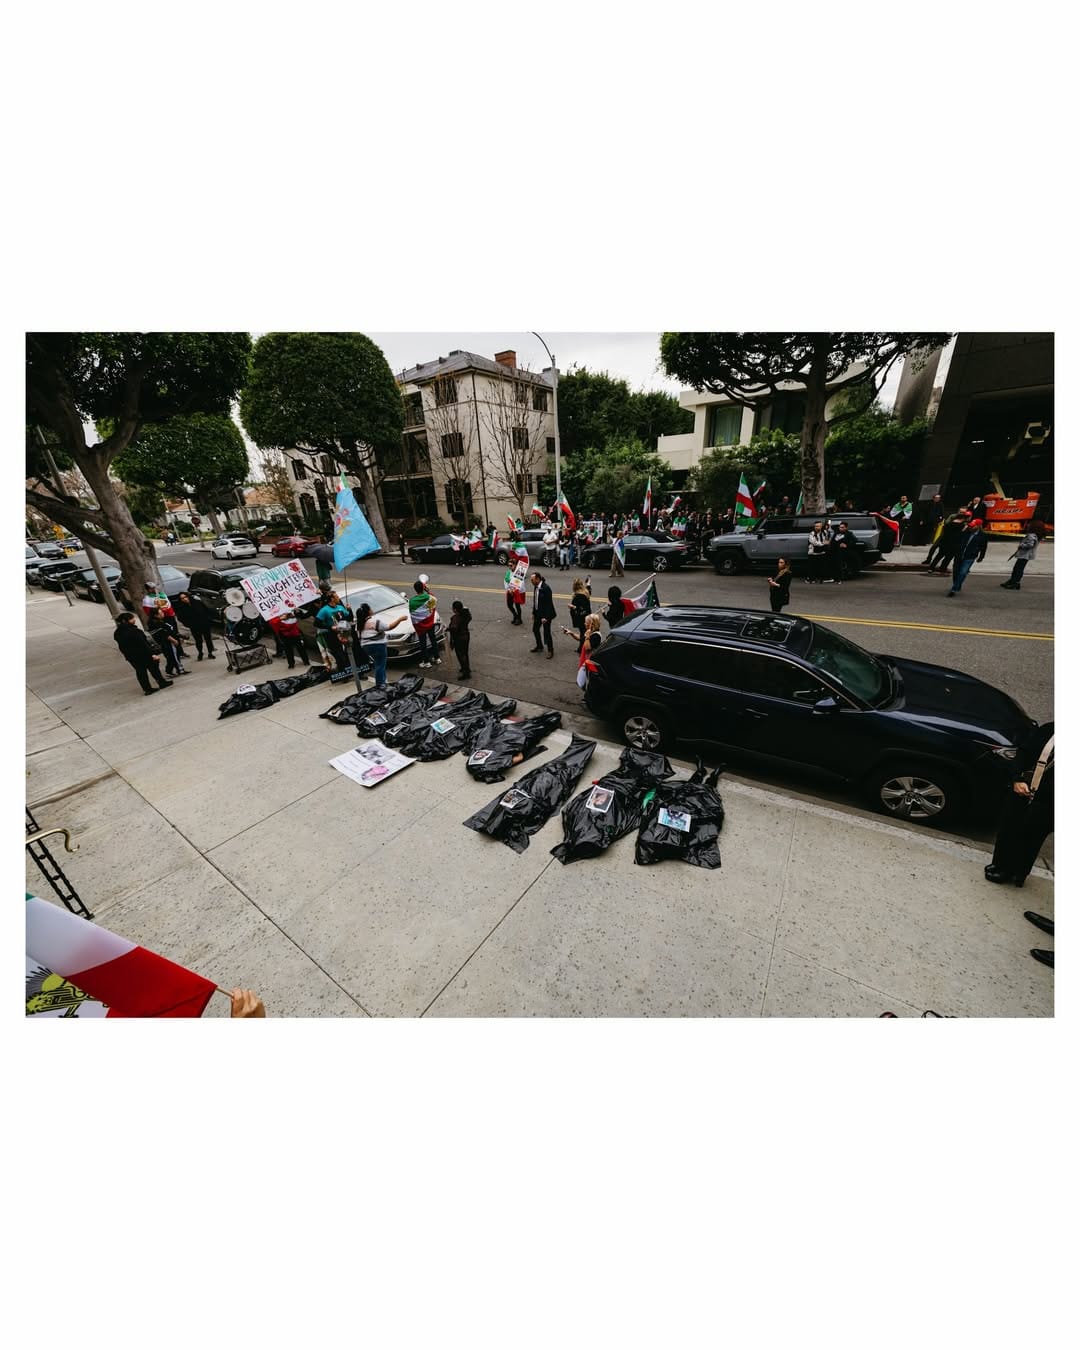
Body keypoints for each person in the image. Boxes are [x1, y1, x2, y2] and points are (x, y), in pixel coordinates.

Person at [984, 723, 1054, 931]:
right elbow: (1023, 754)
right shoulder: (1049, 731)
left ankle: (1018, 873)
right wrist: (1018, 779)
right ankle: (1000, 866)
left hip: (1049, 803)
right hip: (1023, 791)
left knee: (1032, 837)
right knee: (1009, 828)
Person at [112, 612, 173, 695]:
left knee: (141, 672)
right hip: (143, 654)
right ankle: (161, 682)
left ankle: (147, 689)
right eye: (132, 618)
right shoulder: (135, 631)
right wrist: (152, 654)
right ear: (125, 621)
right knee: (154, 668)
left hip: (131, 656)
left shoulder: (117, 633)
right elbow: (144, 644)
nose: (134, 620)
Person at [356, 601, 408, 688]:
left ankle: (382, 682)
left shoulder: (359, 624)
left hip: (366, 647)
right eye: (370, 608)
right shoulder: (374, 621)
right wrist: (400, 619)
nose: (371, 610)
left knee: (378, 664)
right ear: (368, 611)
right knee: (380, 665)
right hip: (378, 646)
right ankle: (381, 685)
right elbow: (389, 627)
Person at [946, 518, 988, 596]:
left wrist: (981, 557)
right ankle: (957, 584)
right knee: (956, 572)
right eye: (970, 526)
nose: (970, 527)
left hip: (969, 556)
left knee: (963, 572)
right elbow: (956, 539)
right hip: (959, 554)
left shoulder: (983, 536)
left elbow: (983, 547)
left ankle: (954, 589)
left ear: (978, 526)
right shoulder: (966, 532)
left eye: (973, 526)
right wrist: (962, 531)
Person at [316, 591, 354, 670]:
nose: (338, 598)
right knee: (338, 655)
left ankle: (349, 670)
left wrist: (350, 610)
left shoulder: (340, 607)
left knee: (347, 653)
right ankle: (343, 673)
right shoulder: (324, 610)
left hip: (344, 633)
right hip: (332, 635)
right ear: (332, 599)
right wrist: (330, 627)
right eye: (336, 597)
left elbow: (349, 618)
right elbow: (316, 623)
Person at [175, 591, 216, 660]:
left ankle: (210, 652)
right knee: (198, 640)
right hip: (194, 626)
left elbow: (206, 610)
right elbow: (181, 618)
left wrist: (209, 619)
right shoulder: (181, 608)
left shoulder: (197, 602)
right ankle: (200, 652)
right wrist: (188, 624)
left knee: (208, 639)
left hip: (204, 623)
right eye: (182, 598)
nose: (185, 599)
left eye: (185, 597)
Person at [409, 578, 441, 667]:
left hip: (421, 626)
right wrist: (428, 590)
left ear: (415, 589)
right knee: (433, 639)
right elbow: (434, 600)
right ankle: (437, 658)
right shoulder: (429, 597)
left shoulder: (412, 601)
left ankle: (426, 662)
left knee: (423, 643)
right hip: (430, 623)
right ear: (423, 588)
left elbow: (413, 614)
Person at [926, 509, 970, 574]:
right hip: (953, 544)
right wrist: (964, 530)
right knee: (948, 557)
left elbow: (945, 531)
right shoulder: (962, 526)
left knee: (939, 555)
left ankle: (931, 568)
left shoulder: (949, 524)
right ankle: (942, 569)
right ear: (963, 519)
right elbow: (959, 535)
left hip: (944, 542)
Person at [149, 608, 188, 675]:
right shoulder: (156, 623)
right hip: (167, 642)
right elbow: (164, 634)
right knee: (173, 656)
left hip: (168, 641)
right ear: (156, 615)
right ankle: (180, 669)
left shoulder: (160, 621)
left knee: (171, 657)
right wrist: (173, 640)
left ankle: (169, 670)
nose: (162, 614)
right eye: (160, 613)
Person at [529, 570, 556, 658]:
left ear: (538, 579)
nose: (531, 582)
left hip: (546, 615)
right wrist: (533, 612)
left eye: (532, 580)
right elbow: (535, 600)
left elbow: (549, 604)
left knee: (547, 632)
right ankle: (539, 646)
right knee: (535, 629)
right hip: (538, 613)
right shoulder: (536, 587)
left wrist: (546, 617)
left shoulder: (546, 588)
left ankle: (550, 650)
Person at [447, 600, 472, 679]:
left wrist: (448, 629)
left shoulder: (456, 618)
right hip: (466, 636)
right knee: (465, 653)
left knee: (461, 655)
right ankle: (466, 668)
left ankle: (466, 673)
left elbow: (454, 628)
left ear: (455, 609)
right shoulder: (466, 614)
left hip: (459, 638)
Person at [569, 577, 592, 648]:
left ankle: (582, 648)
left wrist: (573, 607)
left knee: (583, 633)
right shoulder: (585, 592)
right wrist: (588, 583)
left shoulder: (578, 596)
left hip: (581, 618)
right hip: (587, 616)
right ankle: (582, 646)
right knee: (584, 632)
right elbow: (588, 588)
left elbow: (581, 608)